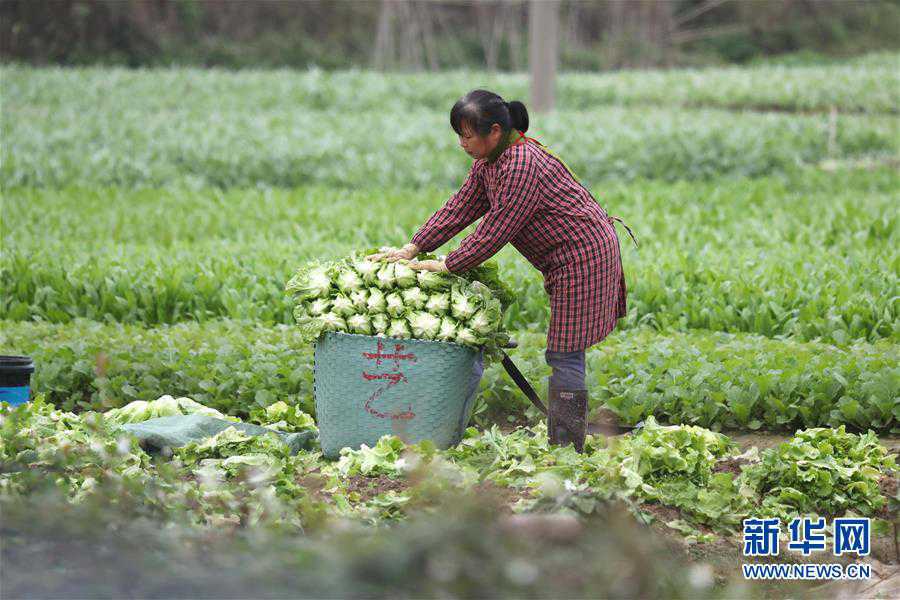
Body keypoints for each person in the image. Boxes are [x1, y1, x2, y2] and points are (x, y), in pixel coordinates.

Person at [368, 89, 634, 452]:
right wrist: (415, 246)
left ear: (494, 131)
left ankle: (567, 445)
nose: (462, 143)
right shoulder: (491, 160)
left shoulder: (522, 164)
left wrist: (447, 264)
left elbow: (498, 227)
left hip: (583, 255)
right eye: (459, 135)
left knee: (565, 351)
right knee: (564, 349)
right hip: (562, 256)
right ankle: (566, 437)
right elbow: (461, 205)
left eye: (467, 135)